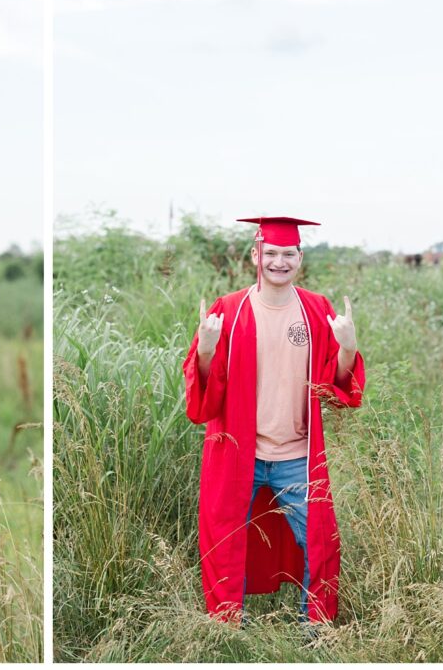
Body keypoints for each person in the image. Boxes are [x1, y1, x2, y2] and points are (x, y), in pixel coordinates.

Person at [182, 216, 365, 628]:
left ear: (300, 258)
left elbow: (336, 387)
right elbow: (203, 398)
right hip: (236, 454)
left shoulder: (317, 310)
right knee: (224, 543)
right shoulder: (229, 310)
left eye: (288, 254)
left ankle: (314, 631)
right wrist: (207, 350)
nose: (279, 262)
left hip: (296, 458)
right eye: (272, 254)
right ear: (255, 255)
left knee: (321, 544)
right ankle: (226, 631)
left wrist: (348, 348)